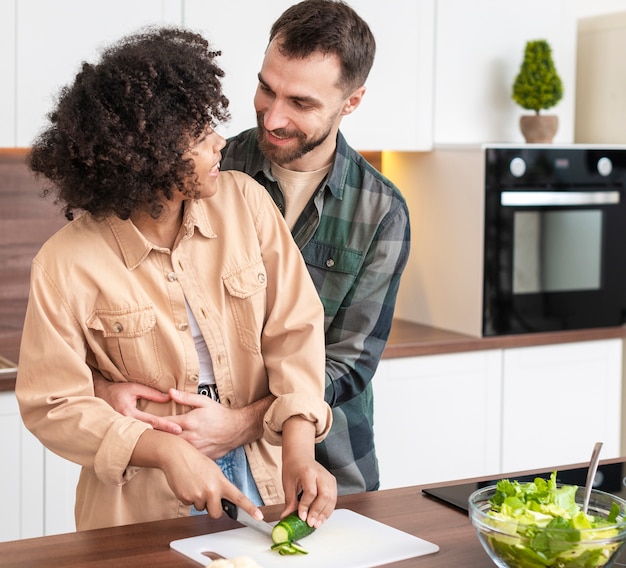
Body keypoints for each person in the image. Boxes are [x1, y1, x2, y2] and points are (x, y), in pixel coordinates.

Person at [15, 26, 336, 532]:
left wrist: (300, 450)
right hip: (139, 497)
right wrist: (162, 449)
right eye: (198, 135)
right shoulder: (64, 264)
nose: (220, 142)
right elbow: (52, 404)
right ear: (148, 158)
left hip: (259, 472)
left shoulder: (247, 203)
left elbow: (296, 332)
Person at [95, 0, 410, 495]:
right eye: (266, 88)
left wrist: (244, 421)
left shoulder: (381, 211)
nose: (274, 116)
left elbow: (348, 363)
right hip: (197, 465)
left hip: (327, 468)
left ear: (351, 101)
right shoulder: (199, 166)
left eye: (302, 103)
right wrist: (104, 388)